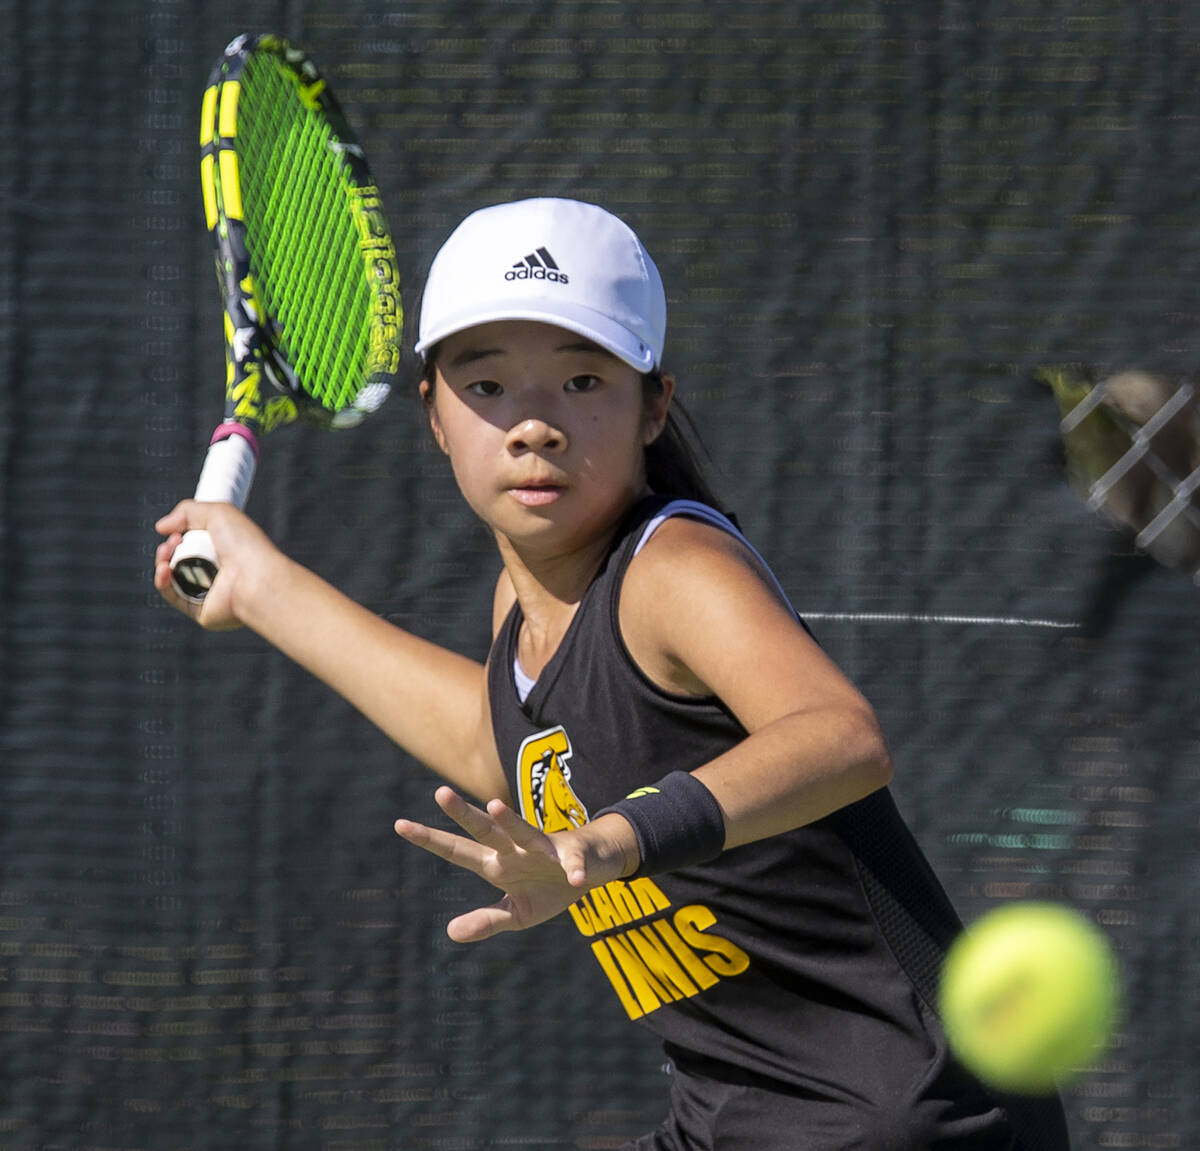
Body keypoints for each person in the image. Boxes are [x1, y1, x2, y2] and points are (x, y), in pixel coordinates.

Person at [155, 197, 1071, 1150]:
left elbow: (841, 737)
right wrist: (265, 589)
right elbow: (496, 743)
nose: (534, 426)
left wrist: (603, 846)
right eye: (489, 386)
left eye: (583, 380)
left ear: (653, 407)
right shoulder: (524, 610)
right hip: (734, 1117)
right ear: (433, 413)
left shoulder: (673, 571)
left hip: (902, 1123)